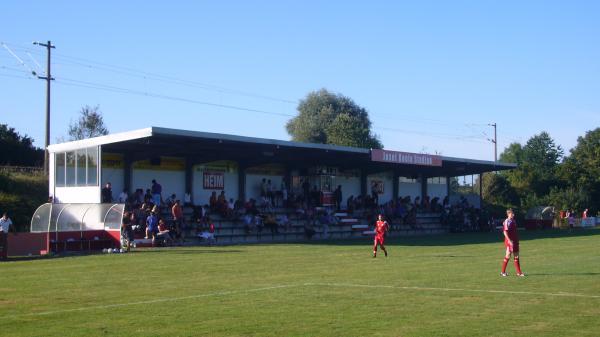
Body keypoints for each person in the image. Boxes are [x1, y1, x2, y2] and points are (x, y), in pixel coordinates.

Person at [501, 208, 524, 277]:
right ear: (508, 214)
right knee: (508, 255)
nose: (513, 214)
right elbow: (505, 232)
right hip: (510, 241)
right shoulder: (507, 221)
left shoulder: (513, 221)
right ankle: (503, 272)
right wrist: (509, 240)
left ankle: (519, 273)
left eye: (513, 213)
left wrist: (517, 241)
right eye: (511, 213)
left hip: (515, 241)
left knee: (516, 255)